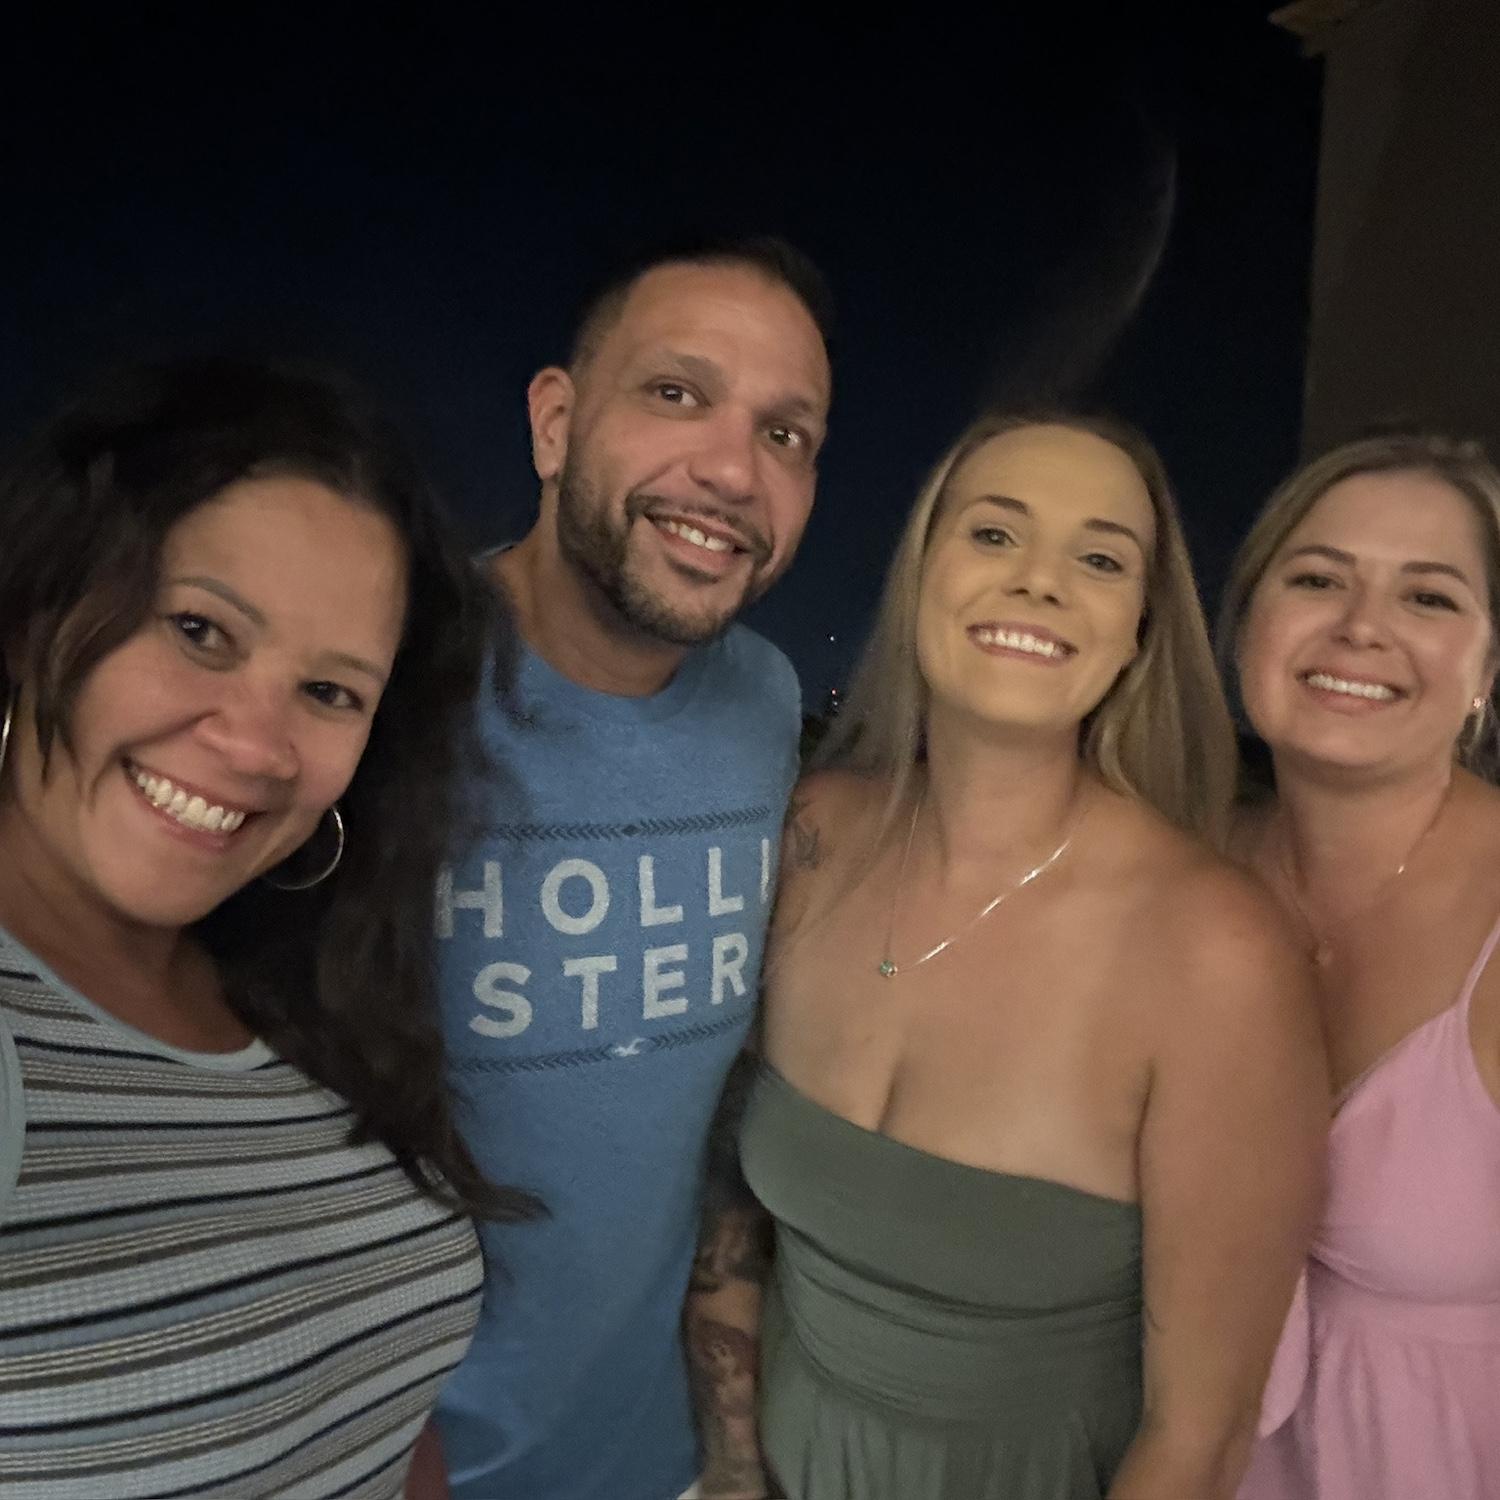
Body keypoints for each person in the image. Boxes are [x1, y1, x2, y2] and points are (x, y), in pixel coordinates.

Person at [745, 413, 1327, 1499]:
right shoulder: (811, 839)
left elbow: (1200, 1436)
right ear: (922, 574)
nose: (1040, 582)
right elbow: (736, 1228)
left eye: (1100, 560)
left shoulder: (1214, 954)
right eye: (995, 534)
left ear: (1139, 631)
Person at [0, 359, 535, 1498]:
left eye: (331, 692)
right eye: (200, 630)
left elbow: (385, 1408)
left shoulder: (299, 996)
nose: (255, 745)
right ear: (40, 612)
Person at [429, 237, 834, 1500]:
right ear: (556, 423)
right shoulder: (385, 684)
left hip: (650, 1467)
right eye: (676, 392)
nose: (732, 470)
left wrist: (731, 1454)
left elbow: (719, 1105)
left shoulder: (761, 704)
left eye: (786, 435)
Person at [1226, 433, 1500, 1500]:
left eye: (1428, 597)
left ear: (1488, 670)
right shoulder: (1182, 877)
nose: (1361, 626)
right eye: (1316, 579)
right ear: (1246, 624)